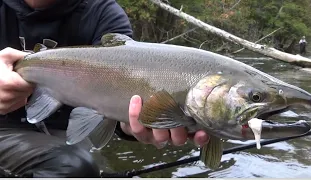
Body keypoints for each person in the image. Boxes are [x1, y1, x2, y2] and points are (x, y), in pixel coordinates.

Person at [0, 0, 209, 177]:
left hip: (63, 136)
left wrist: (130, 122)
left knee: (80, 168)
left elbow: (121, 89)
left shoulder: (102, 13)